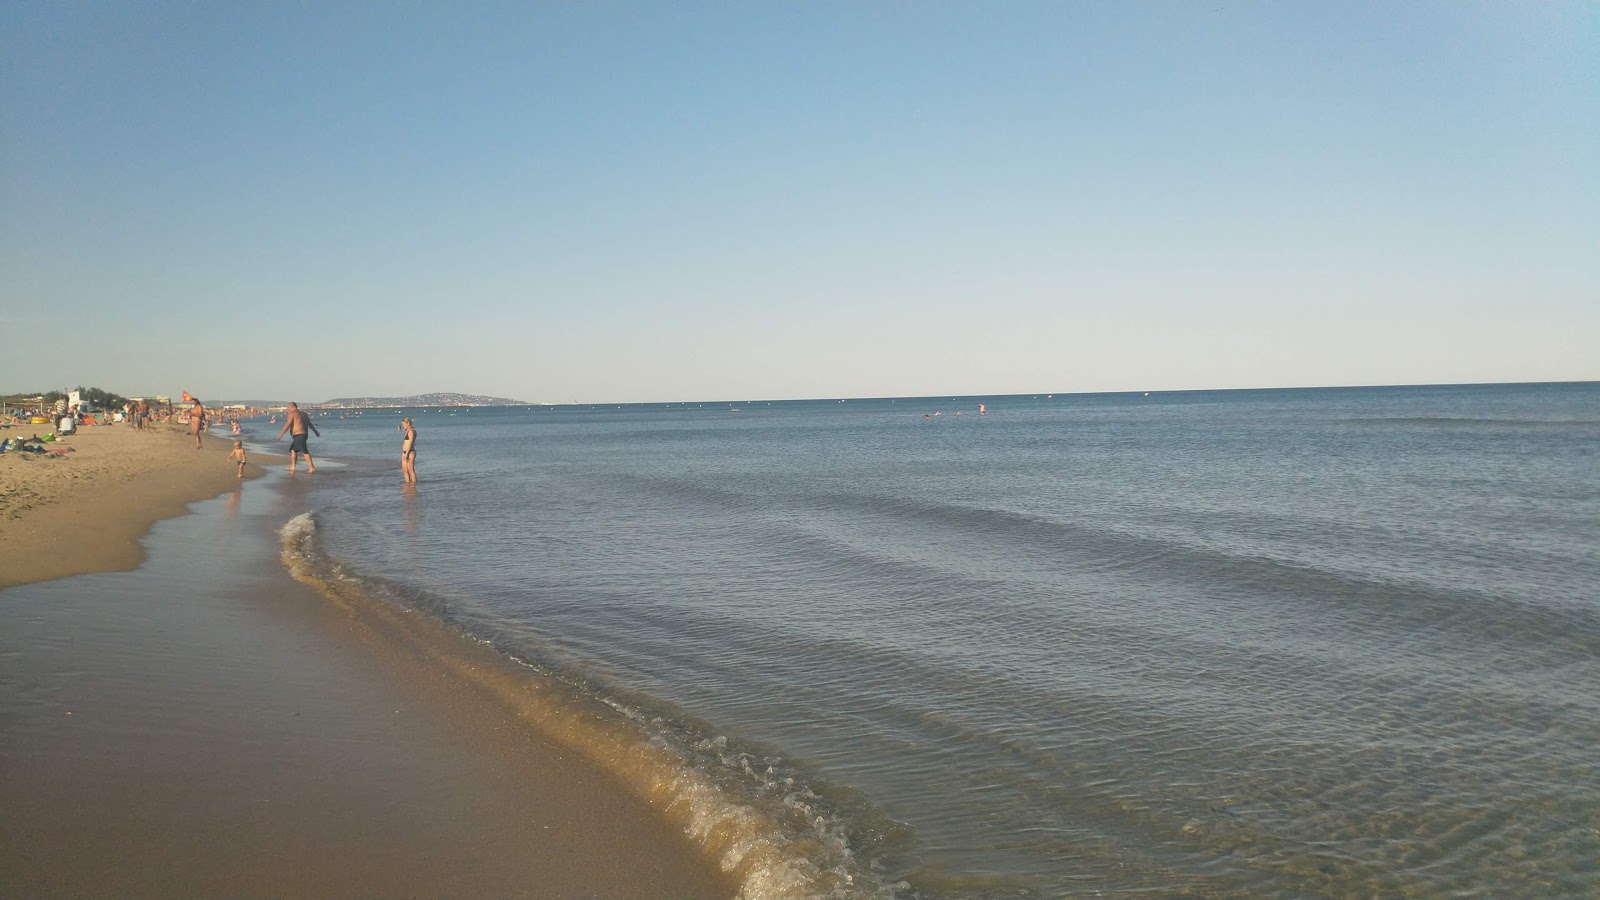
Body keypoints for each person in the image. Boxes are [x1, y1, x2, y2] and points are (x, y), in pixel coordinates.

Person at [274, 402, 321, 473]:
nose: (288, 409)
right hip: (303, 434)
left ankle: (312, 467)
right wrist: (315, 432)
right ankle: (293, 466)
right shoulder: (303, 414)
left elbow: (287, 424)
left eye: (288, 407)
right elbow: (309, 424)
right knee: (293, 450)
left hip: (299, 435)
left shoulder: (292, 413)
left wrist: (280, 434)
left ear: (291, 406)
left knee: (304, 451)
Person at [400, 417, 418, 484]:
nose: (403, 426)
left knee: (411, 470)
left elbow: (410, 443)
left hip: (410, 452)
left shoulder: (411, 431)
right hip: (405, 452)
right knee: (405, 470)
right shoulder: (407, 430)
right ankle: (407, 483)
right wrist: (400, 428)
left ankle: (414, 484)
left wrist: (407, 453)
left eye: (404, 424)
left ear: (408, 423)